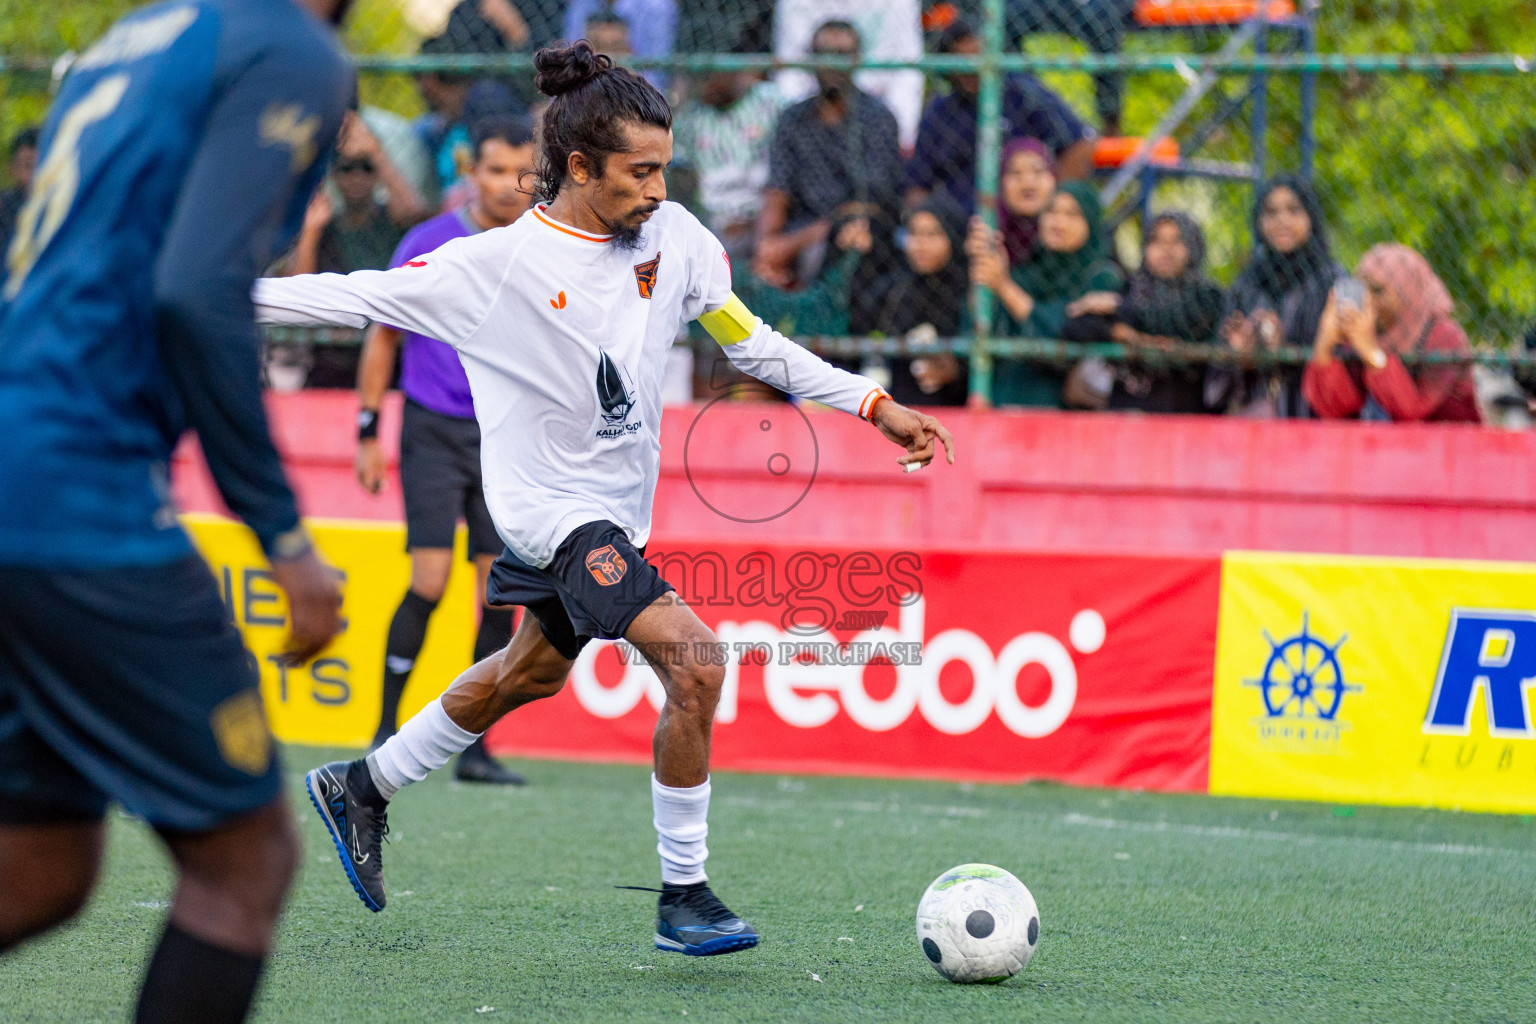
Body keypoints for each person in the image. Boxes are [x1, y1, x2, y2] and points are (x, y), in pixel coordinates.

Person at [252, 42, 954, 952]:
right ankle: (685, 896)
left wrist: (873, 403)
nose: (659, 188)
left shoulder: (677, 240)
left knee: (525, 673)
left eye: (664, 167)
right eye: (641, 171)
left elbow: (753, 342)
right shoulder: (493, 267)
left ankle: (364, 786)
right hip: (550, 516)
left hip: (616, 515)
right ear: (580, 168)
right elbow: (345, 297)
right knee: (697, 663)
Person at [0, 1, 349, 1021]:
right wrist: (282, 536)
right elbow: (195, 291)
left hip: (23, 460)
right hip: (79, 489)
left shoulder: (138, 36)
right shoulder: (289, 47)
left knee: (42, 863)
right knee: (245, 863)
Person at [356, 116, 537, 783]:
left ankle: (476, 750)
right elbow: (384, 337)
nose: (509, 187)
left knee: (497, 596)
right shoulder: (427, 241)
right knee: (428, 582)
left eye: (523, 174)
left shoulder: (543, 245)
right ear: (469, 171)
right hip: (432, 429)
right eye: (495, 172)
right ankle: (382, 732)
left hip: (507, 438)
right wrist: (368, 428)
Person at [755, 19, 903, 289]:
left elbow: (868, 204)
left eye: (842, 55)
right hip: (798, 224)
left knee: (821, 252)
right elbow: (777, 192)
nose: (832, 63)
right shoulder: (793, 119)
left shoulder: (877, 119)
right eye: (824, 54)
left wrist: (789, 245)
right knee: (732, 250)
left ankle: (815, 327)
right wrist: (768, 247)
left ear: (857, 60)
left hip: (854, 229)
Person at [904, 21, 1093, 213]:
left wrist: (1053, 206)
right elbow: (916, 184)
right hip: (960, 222)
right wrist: (930, 224)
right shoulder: (941, 111)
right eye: (962, 61)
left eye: (978, 57)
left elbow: (1079, 145)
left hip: (1022, 218)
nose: (972, 69)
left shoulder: (1023, 93)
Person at [968, 181, 1124, 406]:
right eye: (1051, 211)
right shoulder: (1027, 272)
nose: (1058, 222)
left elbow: (1061, 334)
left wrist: (1004, 287)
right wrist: (983, 272)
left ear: (1091, 222)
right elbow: (981, 326)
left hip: (1062, 417)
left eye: (1072, 215)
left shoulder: (1102, 277)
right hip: (1004, 407)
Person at [1063, 211, 1225, 414]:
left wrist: (1121, 310)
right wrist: (1122, 334)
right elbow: (1076, 325)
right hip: (1127, 413)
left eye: (1177, 240)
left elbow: (1176, 320)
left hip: (1185, 414)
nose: (1166, 249)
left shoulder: (1207, 296)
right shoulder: (1131, 288)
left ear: (1193, 246)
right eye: (1156, 241)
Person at [1304, 244, 1480, 423]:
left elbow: (1413, 410)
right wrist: (1324, 346)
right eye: (1362, 290)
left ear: (1407, 292)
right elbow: (1333, 408)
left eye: (1378, 291)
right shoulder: (1364, 332)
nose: (1368, 301)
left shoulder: (1443, 336)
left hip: (1447, 444)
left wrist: (1371, 353)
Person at [1213, 175, 1343, 418]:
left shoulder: (1331, 280)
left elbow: (1344, 367)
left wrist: (1286, 350)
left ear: (1311, 218)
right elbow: (1214, 388)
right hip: (1254, 420)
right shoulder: (1248, 282)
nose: (1281, 221)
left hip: (1312, 417)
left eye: (1293, 210)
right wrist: (1240, 356)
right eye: (1271, 213)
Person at [671, 48, 789, 262]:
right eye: (696, 78)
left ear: (731, 71)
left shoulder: (770, 101)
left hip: (766, 216)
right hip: (712, 221)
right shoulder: (691, 118)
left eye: (707, 77)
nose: (700, 86)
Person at [852, 194, 971, 406]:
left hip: (951, 408)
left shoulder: (968, 291)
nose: (920, 244)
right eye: (914, 234)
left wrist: (953, 370)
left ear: (953, 238)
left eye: (932, 234)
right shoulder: (895, 289)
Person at [773, 0, 924, 147]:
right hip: (813, 109)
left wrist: (904, 132)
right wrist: (802, 116)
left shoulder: (900, 3)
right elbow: (790, 72)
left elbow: (909, 69)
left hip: (878, 112)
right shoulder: (794, 3)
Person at [995, 137, 1058, 267]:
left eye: (1038, 171)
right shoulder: (990, 234)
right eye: (1016, 173)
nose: (1028, 184)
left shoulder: (1072, 230)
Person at [0, 126, 38, 256]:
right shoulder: (3, 210)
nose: (36, 174)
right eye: (29, 165)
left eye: (42, 164)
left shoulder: (67, 205)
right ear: (14, 169)